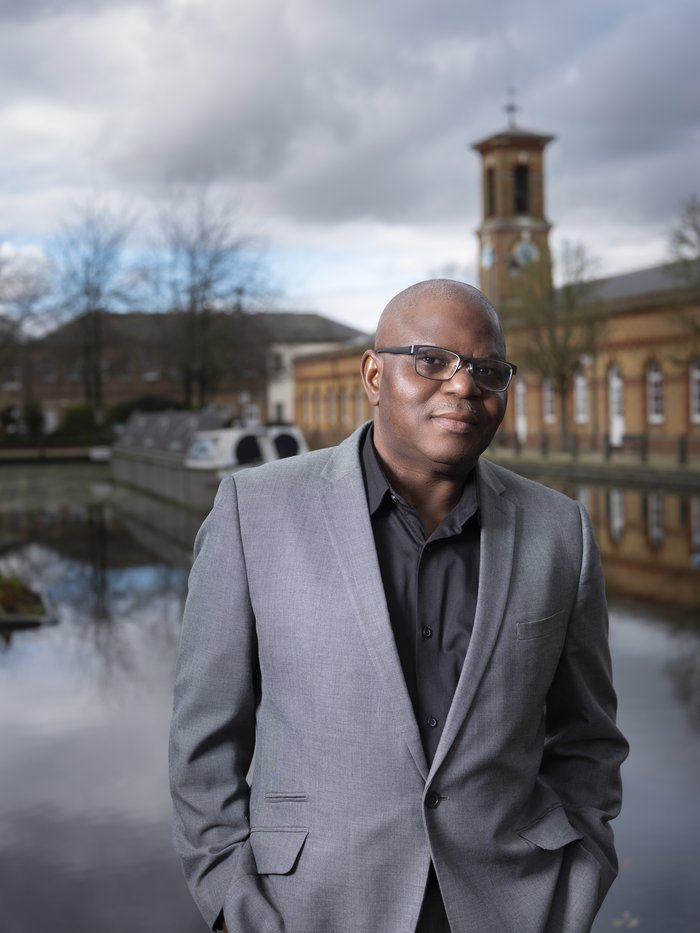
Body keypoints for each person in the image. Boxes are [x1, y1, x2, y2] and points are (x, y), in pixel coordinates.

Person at [169, 279, 628, 933]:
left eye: (487, 370)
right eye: (431, 360)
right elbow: (203, 742)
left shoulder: (561, 531)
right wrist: (229, 904)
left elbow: (589, 740)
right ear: (373, 374)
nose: (464, 386)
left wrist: (576, 881)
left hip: (511, 907)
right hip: (310, 909)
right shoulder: (255, 510)